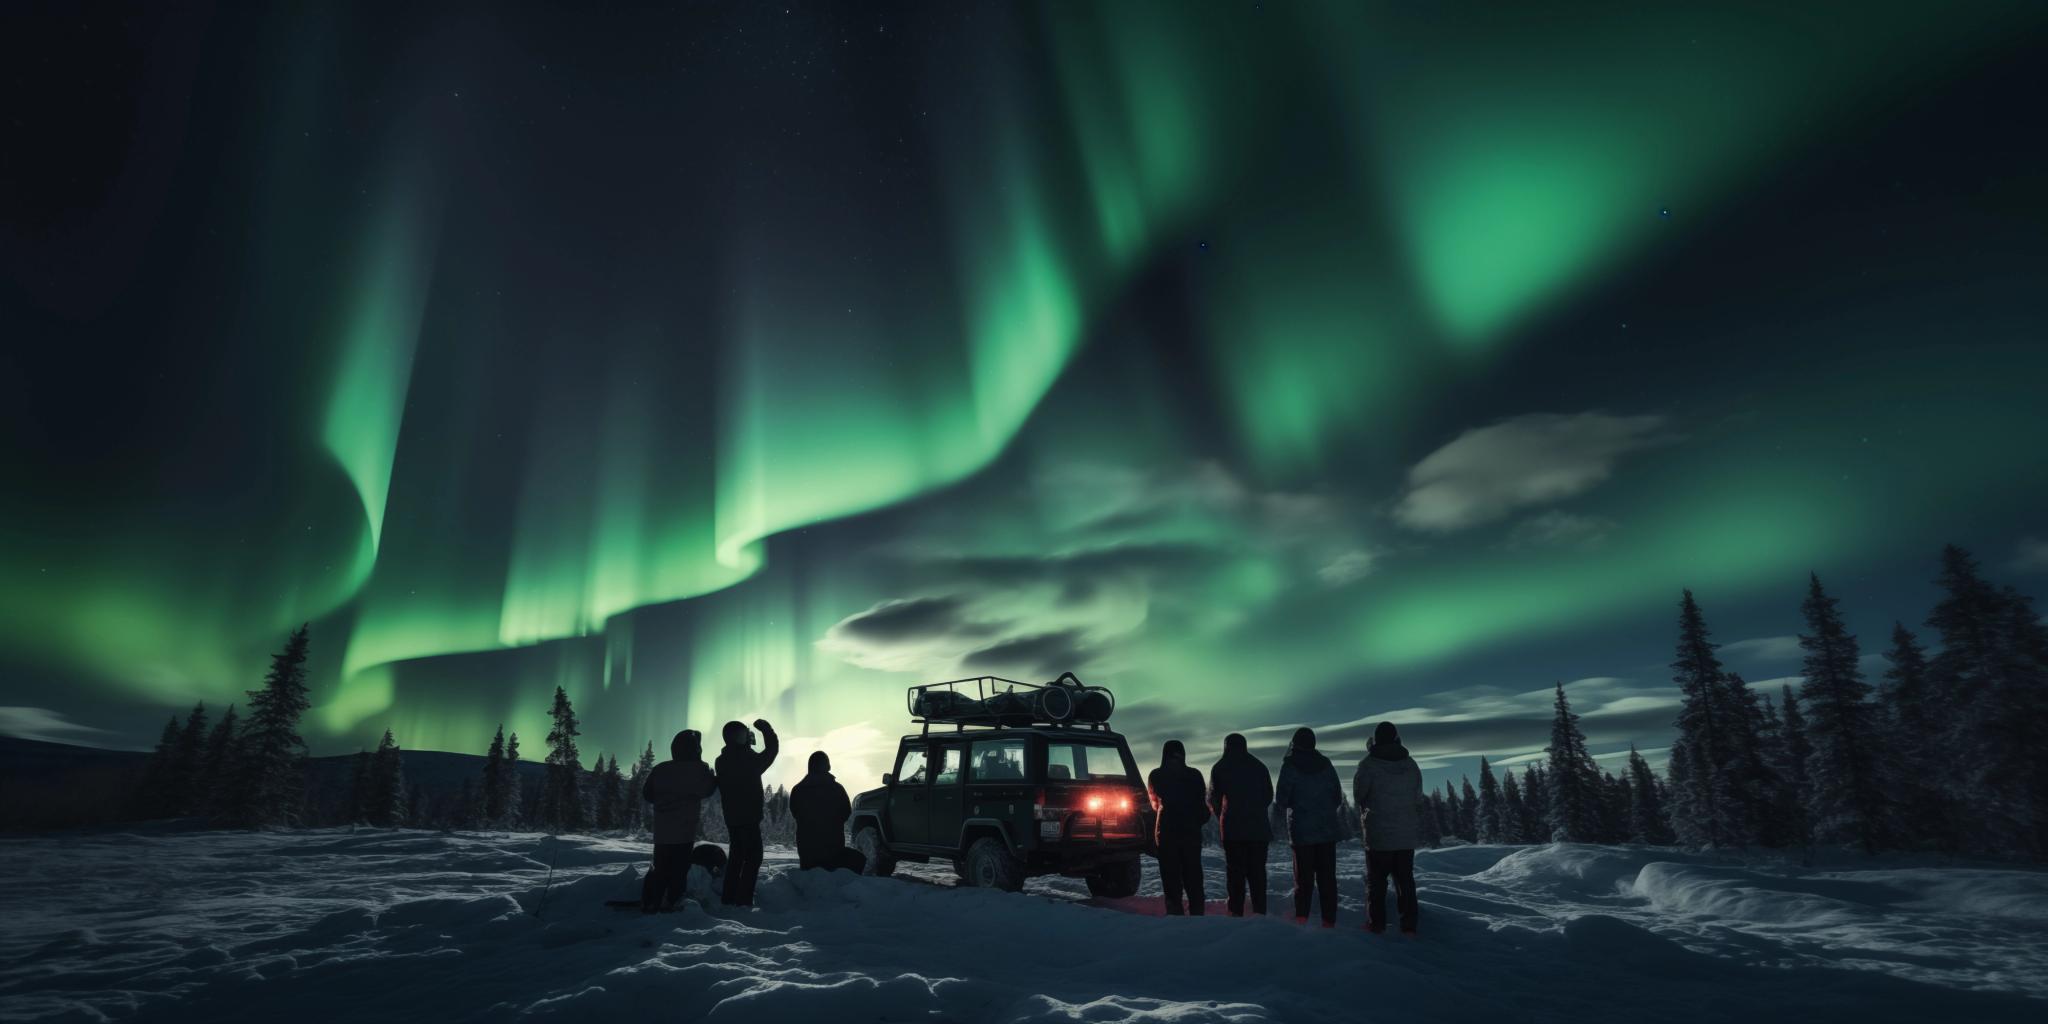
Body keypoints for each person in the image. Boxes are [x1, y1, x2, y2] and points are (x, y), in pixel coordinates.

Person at [1353, 721, 1426, 935]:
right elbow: (1418, 797)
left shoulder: (1368, 764)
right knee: (1406, 880)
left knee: (1377, 881)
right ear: (1396, 738)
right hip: (1405, 834)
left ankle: (1376, 925)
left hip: (1378, 833)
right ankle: (1409, 925)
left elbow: (1359, 795)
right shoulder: (1410, 764)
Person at [640, 729, 718, 912]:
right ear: (696, 750)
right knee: (679, 870)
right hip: (684, 831)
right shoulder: (698, 769)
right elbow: (706, 790)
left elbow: (648, 794)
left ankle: (653, 901)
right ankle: (672, 901)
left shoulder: (660, 769)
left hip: (662, 831)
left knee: (660, 867)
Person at [1273, 726, 1343, 927]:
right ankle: (1329, 920)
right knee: (1327, 879)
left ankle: (1302, 918)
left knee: (1303, 879)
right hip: (1327, 830)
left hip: (1302, 831)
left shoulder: (1290, 765)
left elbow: (1282, 799)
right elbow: (1337, 796)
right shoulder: (1326, 764)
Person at [1207, 732, 1274, 917]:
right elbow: (1268, 795)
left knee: (1235, 874)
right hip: (1258, 830)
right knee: (1258, 873)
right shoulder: (1259, 766)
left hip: (1232, 831)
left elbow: (1213, 798)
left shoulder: (1220, 767)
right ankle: (1260, 912)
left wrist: (1223, 816)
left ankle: (1235, 912)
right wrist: (1256, 811)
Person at [715, 717, 778, 906]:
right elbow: (771, 752)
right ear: (736, 737)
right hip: (749, 817)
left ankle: (729, 897)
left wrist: (747, 745)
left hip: (733, 818)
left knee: (736, 858)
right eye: (744, 734)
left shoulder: (722, 760)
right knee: (753, 858)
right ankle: (743, 899)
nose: (747, 737)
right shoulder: (746, 758)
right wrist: (766, 730)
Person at [1146, 739, 1210, 915]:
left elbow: (1153, 804)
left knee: (1171, 879)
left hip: (1166, 834)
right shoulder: (1195, 775)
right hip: (1191, 834)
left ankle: (1175, 916)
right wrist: (1197, 821)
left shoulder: (1156, 775)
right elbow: (1203, 805)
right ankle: (1198, 915)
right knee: (1194, 877)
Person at [790, 750, 865, 872]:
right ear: (827, 766)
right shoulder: (837, 789)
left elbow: (795, 813)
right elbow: (846, 812)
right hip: (833, 855)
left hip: (807, 856)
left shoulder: (797, 790)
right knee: (859, 859)